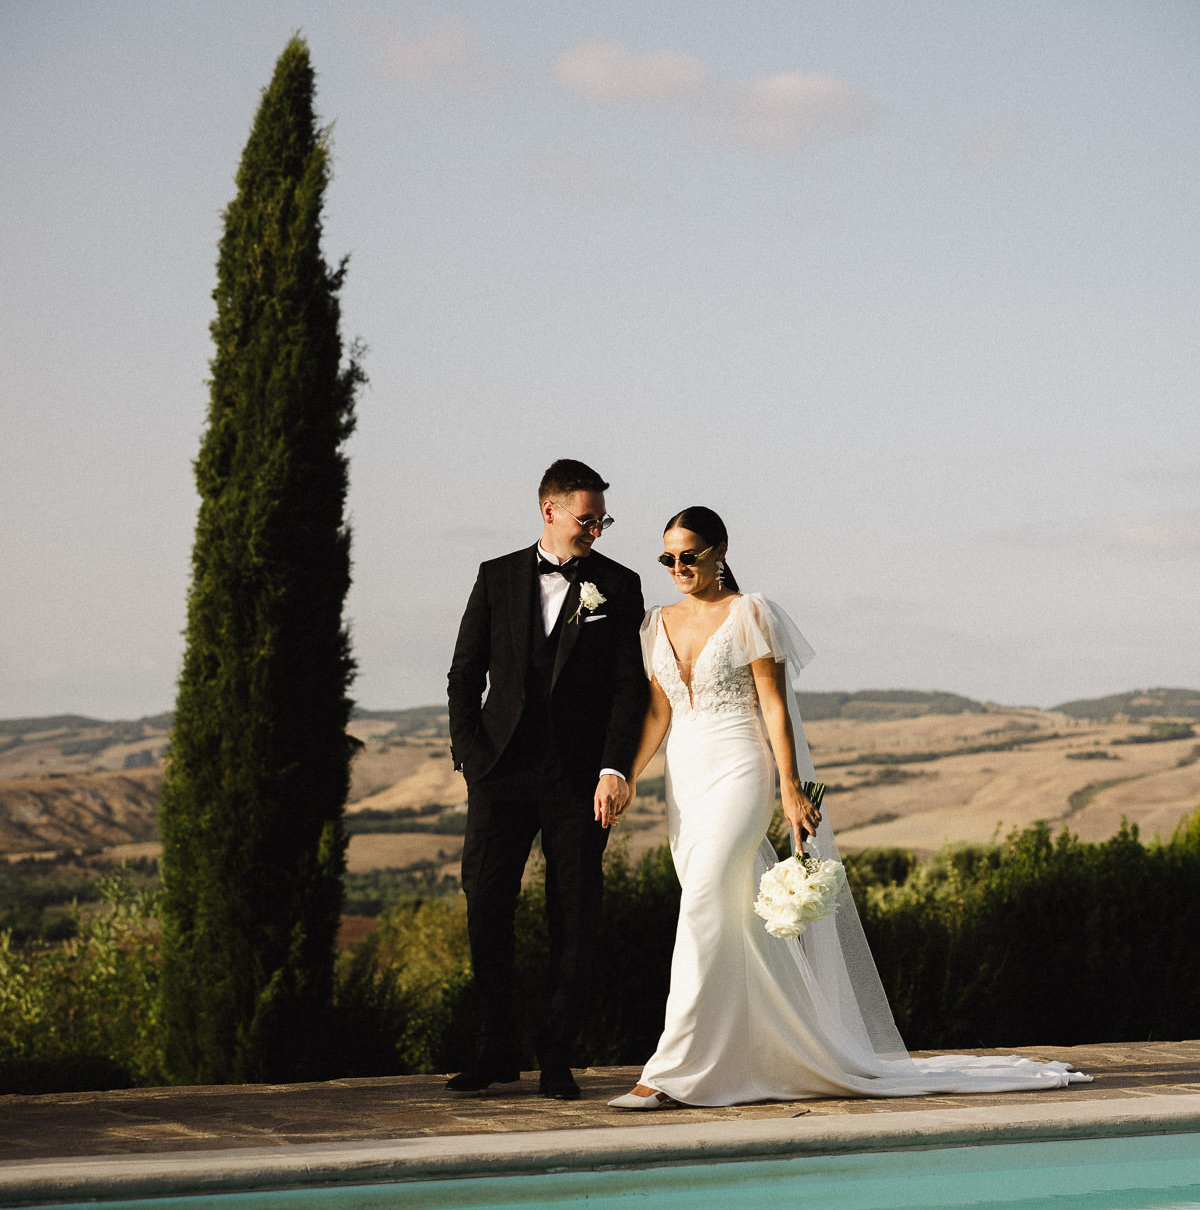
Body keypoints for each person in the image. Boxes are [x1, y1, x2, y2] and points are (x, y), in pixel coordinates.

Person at [609, 507, 1089, 1107]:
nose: (679, 567)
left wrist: (789, 786)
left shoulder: (750, 613)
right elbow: (659, 712)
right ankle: (756, 1054)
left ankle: (669, 1068)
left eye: (690, 555)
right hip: (686, 779)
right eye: (669, 558)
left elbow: (776, 707)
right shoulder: (656, 623)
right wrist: (625, 775)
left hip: (740, 768)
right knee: (727, 916)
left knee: (705, 901)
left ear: (721, 550)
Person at [447, 458, 647, 1100]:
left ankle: (557, 1056)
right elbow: (463, 674)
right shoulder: (495, 576)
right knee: (486, 908)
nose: (596, 530)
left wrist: (614, 767)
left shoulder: (620, 584)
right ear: (550, 511)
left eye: (602, 520)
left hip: (578, 780)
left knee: (575, 916)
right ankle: (495, 1048)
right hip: (500, 774)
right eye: (587, 518)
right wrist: (471, 756)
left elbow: (627, 687)